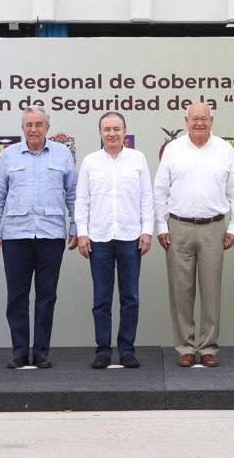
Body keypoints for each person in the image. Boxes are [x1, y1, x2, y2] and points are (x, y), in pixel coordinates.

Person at [154, 101, 234, 368]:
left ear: (212, 121)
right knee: (181, 291)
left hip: (214, 228)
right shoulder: (173, 149)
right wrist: (161, 226)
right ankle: (185, 346)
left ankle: (208, 348)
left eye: (204, 118)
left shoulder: (225, 150)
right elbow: (160, 191)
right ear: (186, 121)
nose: (199, 123)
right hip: (178, 227)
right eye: (194, 119)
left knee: (211, 291)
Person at [0, 106, 77, 369]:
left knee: (46, 295)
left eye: (39, 124)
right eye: (29, 124)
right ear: (23, 128)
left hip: (51, 235)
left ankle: (41, 352)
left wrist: (75, 227)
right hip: (16, 235)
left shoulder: (62, 154)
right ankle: (18, 351)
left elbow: (72, 194)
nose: (34, 129)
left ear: (47, 128)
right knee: (17, 296)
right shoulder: (10, 156)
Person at [74, 112, 153, 369]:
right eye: (107, 129)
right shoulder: (90, 162)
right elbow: (82, 200)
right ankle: (103, 351)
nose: (111, 133)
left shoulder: (137, 159)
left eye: (116, 129)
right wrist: (82, 232)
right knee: (102, 299)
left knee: (130, 297)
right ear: (100, 133)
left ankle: (127, 350)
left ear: (125, 132)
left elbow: (146, 199)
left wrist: (147, 230)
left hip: (131, 237)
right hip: (99, 238)